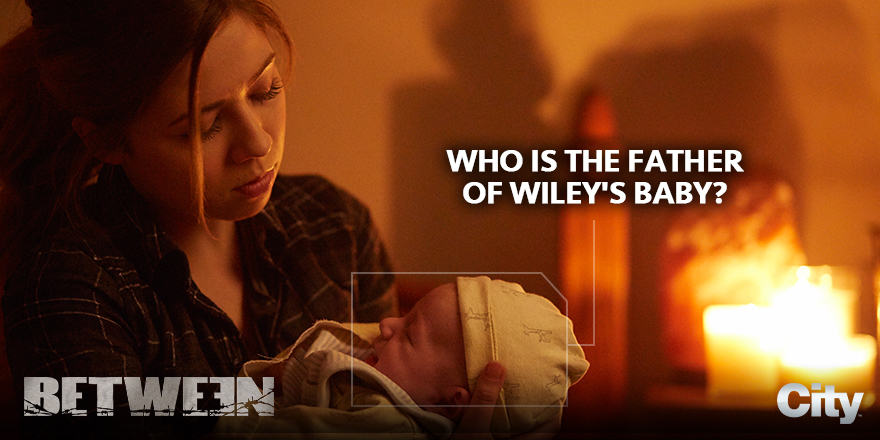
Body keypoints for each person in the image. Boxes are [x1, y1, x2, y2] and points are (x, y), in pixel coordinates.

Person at [0, 1, 515, 437]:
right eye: (204, 126)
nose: (259, 142)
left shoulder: (334, 227)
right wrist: (264, 392)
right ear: (103, 140)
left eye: (266, 90)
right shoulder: (68, 287)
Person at [220, 276, 589, 438]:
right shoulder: (376, 393)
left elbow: (242, 432)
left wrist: (256, 390)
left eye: (409, 333)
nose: (385, 324)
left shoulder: (383, 424)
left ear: (451, 403)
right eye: (405, 314)